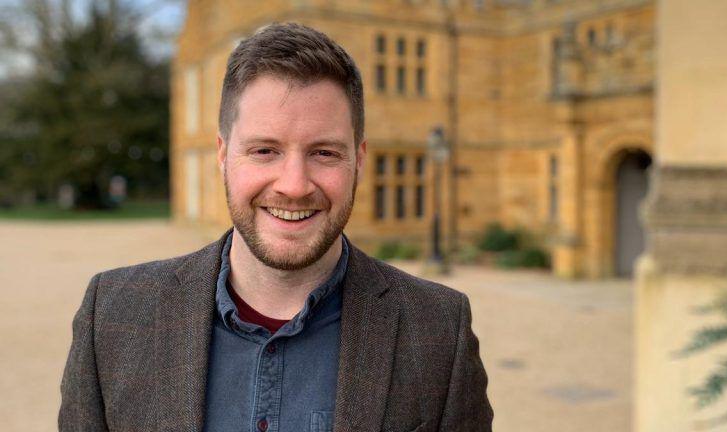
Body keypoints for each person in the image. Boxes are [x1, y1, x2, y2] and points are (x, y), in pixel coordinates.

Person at [59, 22, 492, 432]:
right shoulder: (112, 316)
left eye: (323, 153)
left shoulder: (438, 329)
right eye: (265, 150)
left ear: (359, 161)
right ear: (223, 155)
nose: (294, 186)